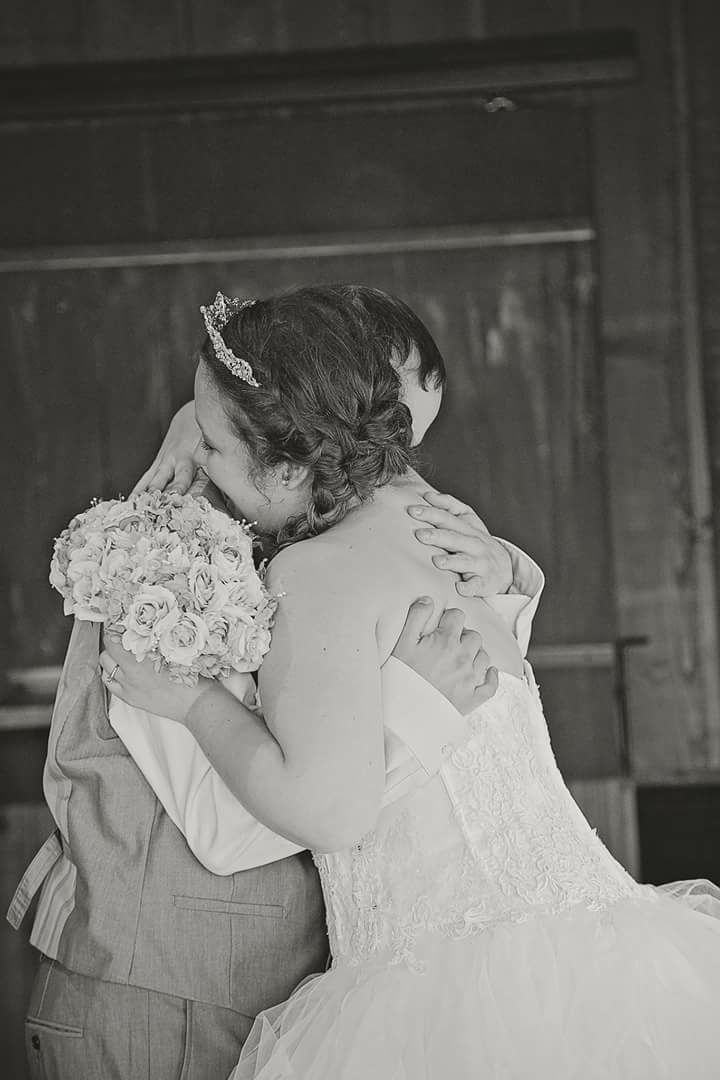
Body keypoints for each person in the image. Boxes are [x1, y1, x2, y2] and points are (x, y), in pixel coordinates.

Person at [101, 283, 720, 1079]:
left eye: (214, 447)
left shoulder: (317, 575)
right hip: (592, 947)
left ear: (291, 463)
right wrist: (206, 416)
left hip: (450, 986)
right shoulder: (429, 511)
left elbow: (331, 810)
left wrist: (194, 700)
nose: (202, 467)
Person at [8, 290, 541, 1080]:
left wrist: (508, 571)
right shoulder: (168, 566)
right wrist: (418, 720)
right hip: (171, 993)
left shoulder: (333, 527)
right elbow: (228, 831)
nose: (387, 470)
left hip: (291, 992)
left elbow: (483, 661)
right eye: (381, 434)